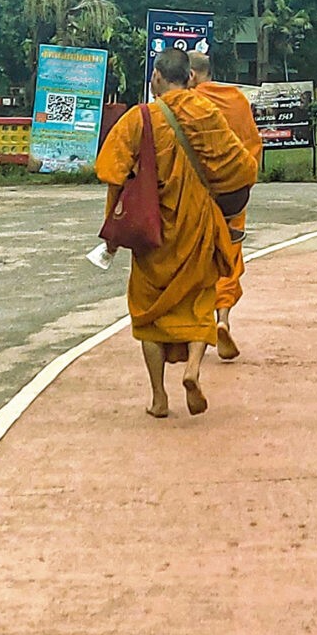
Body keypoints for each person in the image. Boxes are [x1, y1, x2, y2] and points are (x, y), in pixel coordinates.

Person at [95, 47, 258, 418]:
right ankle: (193, 369)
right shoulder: (206, 112)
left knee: (147, 312)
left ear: (155, 78)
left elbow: (113, 176)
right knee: (201, 300)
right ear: (190, 79)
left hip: (153, 230)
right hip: (198, 226)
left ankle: (158, 398)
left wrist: (112, 233)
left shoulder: (139, 119)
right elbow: (242, 169)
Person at [185, 50, 261, 359]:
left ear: (191, 76)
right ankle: (224, 320)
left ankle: (197, 330)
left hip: (196, 192)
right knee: (229, 254)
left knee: (195, 256)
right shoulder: (237, 100)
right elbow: (253, 144)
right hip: (233, 192)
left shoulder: (189, 105)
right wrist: (242, 183)